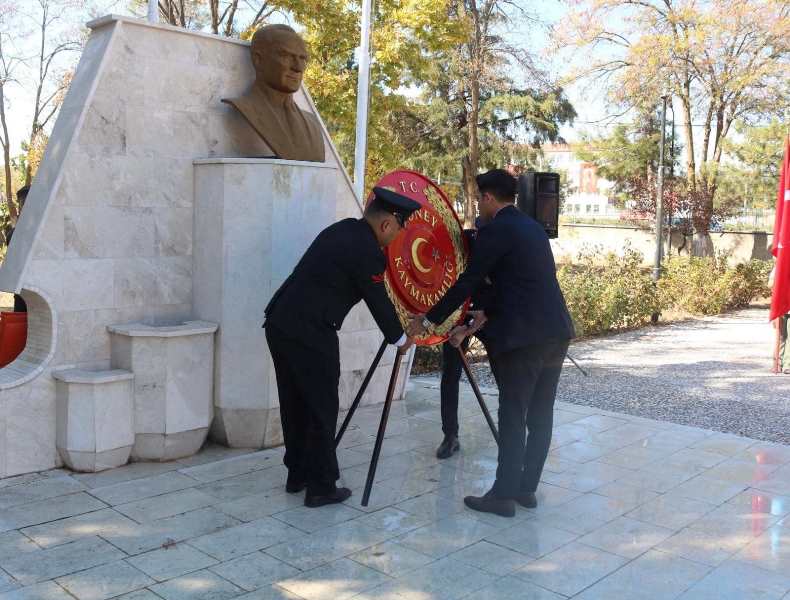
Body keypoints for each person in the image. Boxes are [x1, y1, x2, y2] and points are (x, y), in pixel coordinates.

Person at [408, 169, 575, 518]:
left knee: (512, 415)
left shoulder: (497, 230)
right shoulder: (531, 227)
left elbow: (468, 281)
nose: (476, 207)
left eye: (477, 199)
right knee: (541, 415)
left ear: (487, 198)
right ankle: (526, 490)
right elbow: (518, 284)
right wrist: (475, 322)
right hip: (555, 332)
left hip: (523, 340)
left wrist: (427, 318)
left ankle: (502, 496)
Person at [264, 187, 419, 508]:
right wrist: (401, 340)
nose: (396, 238)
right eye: (399, 230)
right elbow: (379, 301)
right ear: (387, 224)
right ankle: (321, 486)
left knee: (294, 401)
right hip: (310, 331)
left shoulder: (343, 229)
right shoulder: (368, 250)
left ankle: (298, 474)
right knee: (321, 406)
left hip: (280, 322)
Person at [436, 221, 494, 459]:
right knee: (450, 374)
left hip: (490, 314)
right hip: (459, 314)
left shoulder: (504, 247)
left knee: (506, 372)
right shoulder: (463, 241)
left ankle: (514, 433)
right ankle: (450, 435)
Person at [2, 186, 29, 312]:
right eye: (21, 204)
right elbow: (11, 239)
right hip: (22, 291)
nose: (20, 208)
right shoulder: (19, 231)